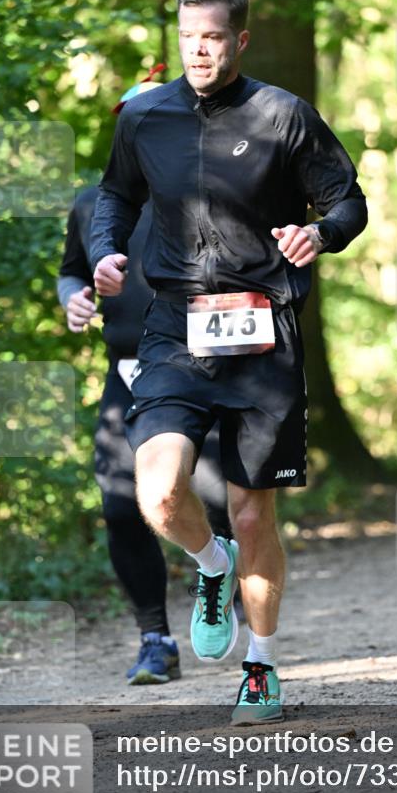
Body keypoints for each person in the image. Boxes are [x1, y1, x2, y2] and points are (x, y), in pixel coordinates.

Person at [90, 0, 367, 724]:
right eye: (187, 38)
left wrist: (321, 232)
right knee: (157, 495)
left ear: (239, 38)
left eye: (212, 38)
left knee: (254, 518)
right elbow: (114, 195)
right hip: (175, 331)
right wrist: (105, 251)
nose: (199, 51)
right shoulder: (145, 118)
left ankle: (260, 668)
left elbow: (346, 197)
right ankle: (210, 566)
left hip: (261, 336)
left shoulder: (284, 116)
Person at [58, 175, 233, 685]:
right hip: (128, 374)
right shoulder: (92, 204)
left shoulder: (210, 191)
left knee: (218, 496)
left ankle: (224, 590)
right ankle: (155, 639)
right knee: (120, 504)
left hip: (202, 368)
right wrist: (74, 299)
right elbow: (71, 273)